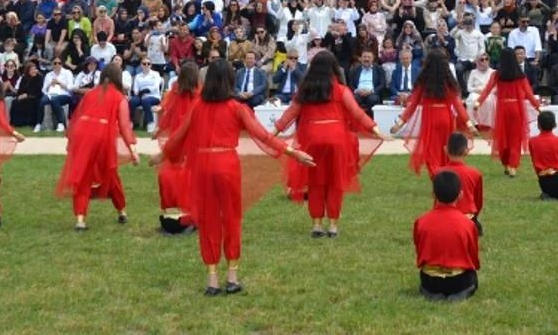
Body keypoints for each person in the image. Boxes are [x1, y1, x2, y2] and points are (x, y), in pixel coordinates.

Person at [151, 59, 314, 296]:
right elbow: (263, 136)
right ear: (230, 80)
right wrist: (292, 152)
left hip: (203, 167)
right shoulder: (237, 108)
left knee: (207, 220)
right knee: (231, 217)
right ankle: (232, 276)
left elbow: (178, 136)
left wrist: (162, 154)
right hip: (227, 165)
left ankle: (212, 279)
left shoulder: (198, 107)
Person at [272, 51, 385, 238]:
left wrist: (272, 133)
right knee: (335, 182)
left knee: (315, 182)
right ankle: (333, 225)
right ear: (333, 68)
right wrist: (376, 130)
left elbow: (290, 114)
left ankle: (316, 224)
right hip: (337, 140)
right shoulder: (341, 90)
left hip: (312, 140)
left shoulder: (305, 90)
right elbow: (357, 112)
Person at [56, 65, 138, 230]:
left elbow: (77, 116)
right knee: (110, 173)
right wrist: (133, 150)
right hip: (101, 135)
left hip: (82, 133)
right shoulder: (119, 97)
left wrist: (71, 142)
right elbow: (124, 126)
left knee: (82, 176)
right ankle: (122, 211)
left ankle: (80, 220)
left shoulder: (90, 93)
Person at [391, 49, 473, 176]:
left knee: (431, 151)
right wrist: (469, 124)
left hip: (430, 118)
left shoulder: (423, 82)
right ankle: (446, 176)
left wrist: (400, 123)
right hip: (446, 118)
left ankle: (436, 176)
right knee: (447, 149)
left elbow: (412, 106)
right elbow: (457, 104)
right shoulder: (449, 82)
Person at [413, 170, 480, 301]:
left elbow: (420, 251)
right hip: (458, 280)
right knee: (471, 276)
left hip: (430, 280)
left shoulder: (421, 222)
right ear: (460, 195)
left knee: (428, 283)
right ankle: (458, 293)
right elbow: (473, 259)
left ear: (433, 194)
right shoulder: (468, 224)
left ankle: (432, 293)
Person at [474, 48, 541, 177]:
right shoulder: (520, 75)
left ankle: (505, 163)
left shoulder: (497, 75)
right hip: (516, 107)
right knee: (515, 138)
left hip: (502, 108)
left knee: (502, 137)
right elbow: (529, 94)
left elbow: (487, 90)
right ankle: (513, 165)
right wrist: (538, 107)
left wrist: (478, 103)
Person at [154, 62, 200, 234]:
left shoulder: (177, 91)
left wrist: (160, 129)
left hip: (178, 139)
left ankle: (174, 212)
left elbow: (169, 111)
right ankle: (188, 214)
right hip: (190, 140)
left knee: (171, 173)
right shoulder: (198, 93)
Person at [435, 132, 484, 234]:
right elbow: (478, 201)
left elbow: (437, 198)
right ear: (466, 151)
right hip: (467, 217)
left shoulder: (438, 173)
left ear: (446, 149)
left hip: (443, 217)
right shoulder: (474, 173)